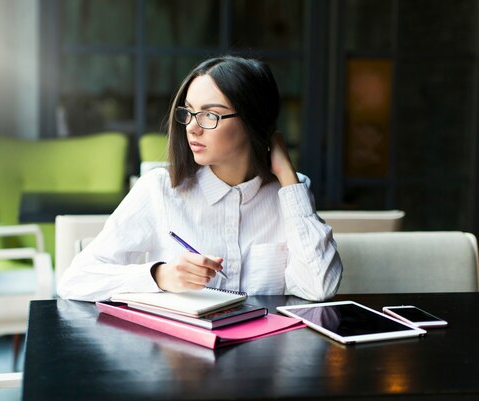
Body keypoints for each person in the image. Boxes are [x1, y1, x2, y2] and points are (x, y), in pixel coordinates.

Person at [58, 56, 342, 302]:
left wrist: (287, 177)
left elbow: (320, 287)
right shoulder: (160, 190)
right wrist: (159, 275)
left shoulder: (290, 193)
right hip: (181, 358)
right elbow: (75, 280)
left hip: (264, 357)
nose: (192, 128)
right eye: (189, 112)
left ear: (253, 121)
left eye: (210, 115)